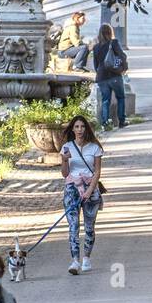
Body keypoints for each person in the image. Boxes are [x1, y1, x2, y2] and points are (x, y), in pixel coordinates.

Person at [60, 115, 104, 275]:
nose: (79, 130)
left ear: (87, 129)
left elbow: (97, 172)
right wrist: (64, 160)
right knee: (73, 226)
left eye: (82, 127)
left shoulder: (94, 148)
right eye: (77, 127)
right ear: (72, 129)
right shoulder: (66, 147)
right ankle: (74, 261)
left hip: (90, 188)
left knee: (89, 227)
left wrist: (90, 190)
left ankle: (86, 258)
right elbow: (64, 174)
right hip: (72, 189)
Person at [92, 24, 128, 130]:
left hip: (102, 77)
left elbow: (95, 65)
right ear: (110, 32)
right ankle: (121, 121)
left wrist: (99, 72)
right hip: (115, 75)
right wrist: (123, 68)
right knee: (120, 98)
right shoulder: (114, 43)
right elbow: (122, 55)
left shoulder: (96, 47)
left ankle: (105, 123)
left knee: (105, 100)